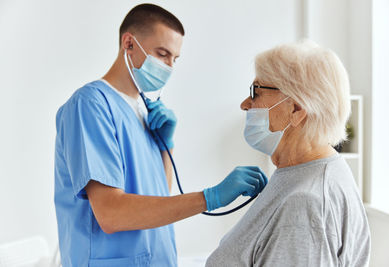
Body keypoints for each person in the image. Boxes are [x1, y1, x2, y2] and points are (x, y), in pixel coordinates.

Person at [54, 4, 267, 267]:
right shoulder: (90, 105)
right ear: (129, 43)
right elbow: (110, 214)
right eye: (162, 54)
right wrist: (209, 198)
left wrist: (167, 147)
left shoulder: (144, 112)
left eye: (174, 59)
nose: (168, 66)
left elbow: (157, 195)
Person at [205, 40, 371, 267]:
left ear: (296, 109)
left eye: (256, 91)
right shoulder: (308, 171)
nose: (245, 104)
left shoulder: (305, 204)